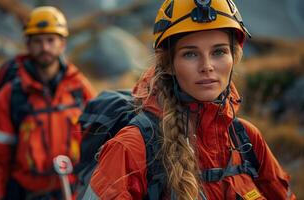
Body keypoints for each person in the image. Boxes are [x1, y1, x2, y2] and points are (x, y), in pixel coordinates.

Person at [85, 0, 296, 199]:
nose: (207, 66)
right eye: (190, 54)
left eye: (219, 51)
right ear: (168, 64)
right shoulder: (131, 147)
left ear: (234, 57)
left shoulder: (247, 138)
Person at [0, 6, 97, 200]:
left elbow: (98, 144)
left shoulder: (79, 89)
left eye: (50, 40)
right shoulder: (12, 95)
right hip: (26, 194)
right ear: (28, 44)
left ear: (62, 44)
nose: (45, 48)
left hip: (74, 192)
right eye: (38, 41)